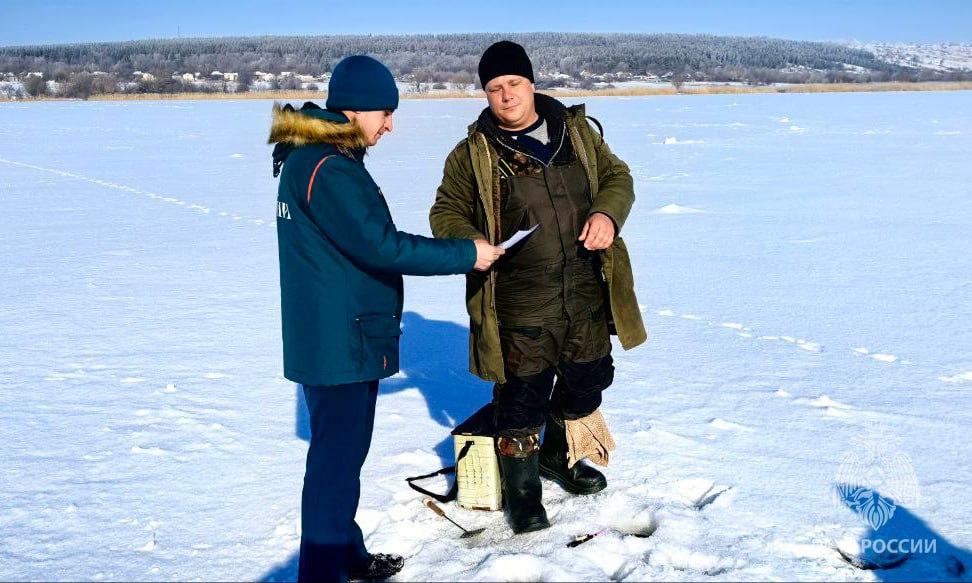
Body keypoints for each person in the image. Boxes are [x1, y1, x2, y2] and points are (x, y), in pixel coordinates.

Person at [269, 55, 504, 582]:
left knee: (340, 458)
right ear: (355, 109)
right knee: (334, 465)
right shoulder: (328, 168)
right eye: (384, 113)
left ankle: (344, 555)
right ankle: (324, 572)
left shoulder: (312, 157)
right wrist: (467, 253)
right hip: (340, 340)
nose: (390, 126)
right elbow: (383, 247)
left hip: (331, 334)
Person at [429, 41, 647, 534]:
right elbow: (445, 212)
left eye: (513, 84)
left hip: (587, 287)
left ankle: (554, 455)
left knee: (589, 379)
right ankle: (524, 490)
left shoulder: (577, 133)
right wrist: (473, 241)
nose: (505, 96)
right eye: (494, 88)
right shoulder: (473, 154)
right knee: (522, 395)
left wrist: (607, 213)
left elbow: (618, 176)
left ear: (531, 83)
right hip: (520, 297)